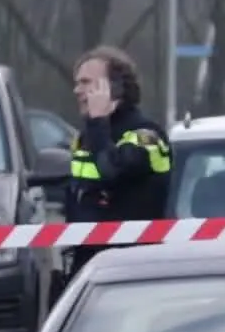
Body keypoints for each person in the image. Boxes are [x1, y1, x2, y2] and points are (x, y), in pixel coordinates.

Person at [64, 45, 171, 277]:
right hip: (87, 263)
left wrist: (98, 122)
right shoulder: (88, 135)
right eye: (77, 83)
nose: (76, 90)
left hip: (131, 267)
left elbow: (110, 170)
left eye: (86, 83)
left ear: (115, 88)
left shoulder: (146, 136)